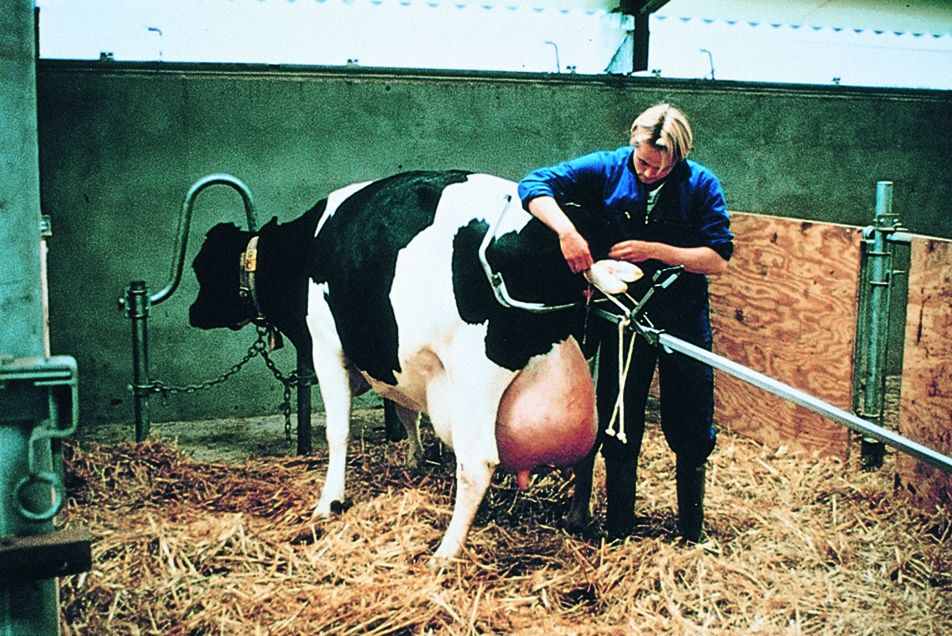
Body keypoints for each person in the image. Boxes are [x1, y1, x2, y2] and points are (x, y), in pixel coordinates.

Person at [517, 102, 734, 543]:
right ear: (633, 146)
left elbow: (717, 258)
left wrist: (656, 250)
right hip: (621, 318)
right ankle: (619, 531)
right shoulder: (609, 167)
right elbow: (533, 183)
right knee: (619, 418)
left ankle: (692, 532)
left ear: (678, 158)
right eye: (643, 162)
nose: (649, 173)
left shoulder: (701, 185)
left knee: (691, 423)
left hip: (681, 319)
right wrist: (567, 233)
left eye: (660, 167)